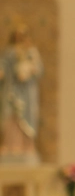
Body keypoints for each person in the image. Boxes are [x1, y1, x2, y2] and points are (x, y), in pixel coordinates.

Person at [0, 23, 43, 161]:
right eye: (17, 35)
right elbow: (3, 66)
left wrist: (30, 71)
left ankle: (26, 146)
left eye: (22, 35)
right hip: (12, 91)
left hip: (27, 93)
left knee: (27, 117)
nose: (20, 38)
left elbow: (39, 70)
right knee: (10, 118)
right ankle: (10, 146)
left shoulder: (31, 52)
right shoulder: (9, 52)